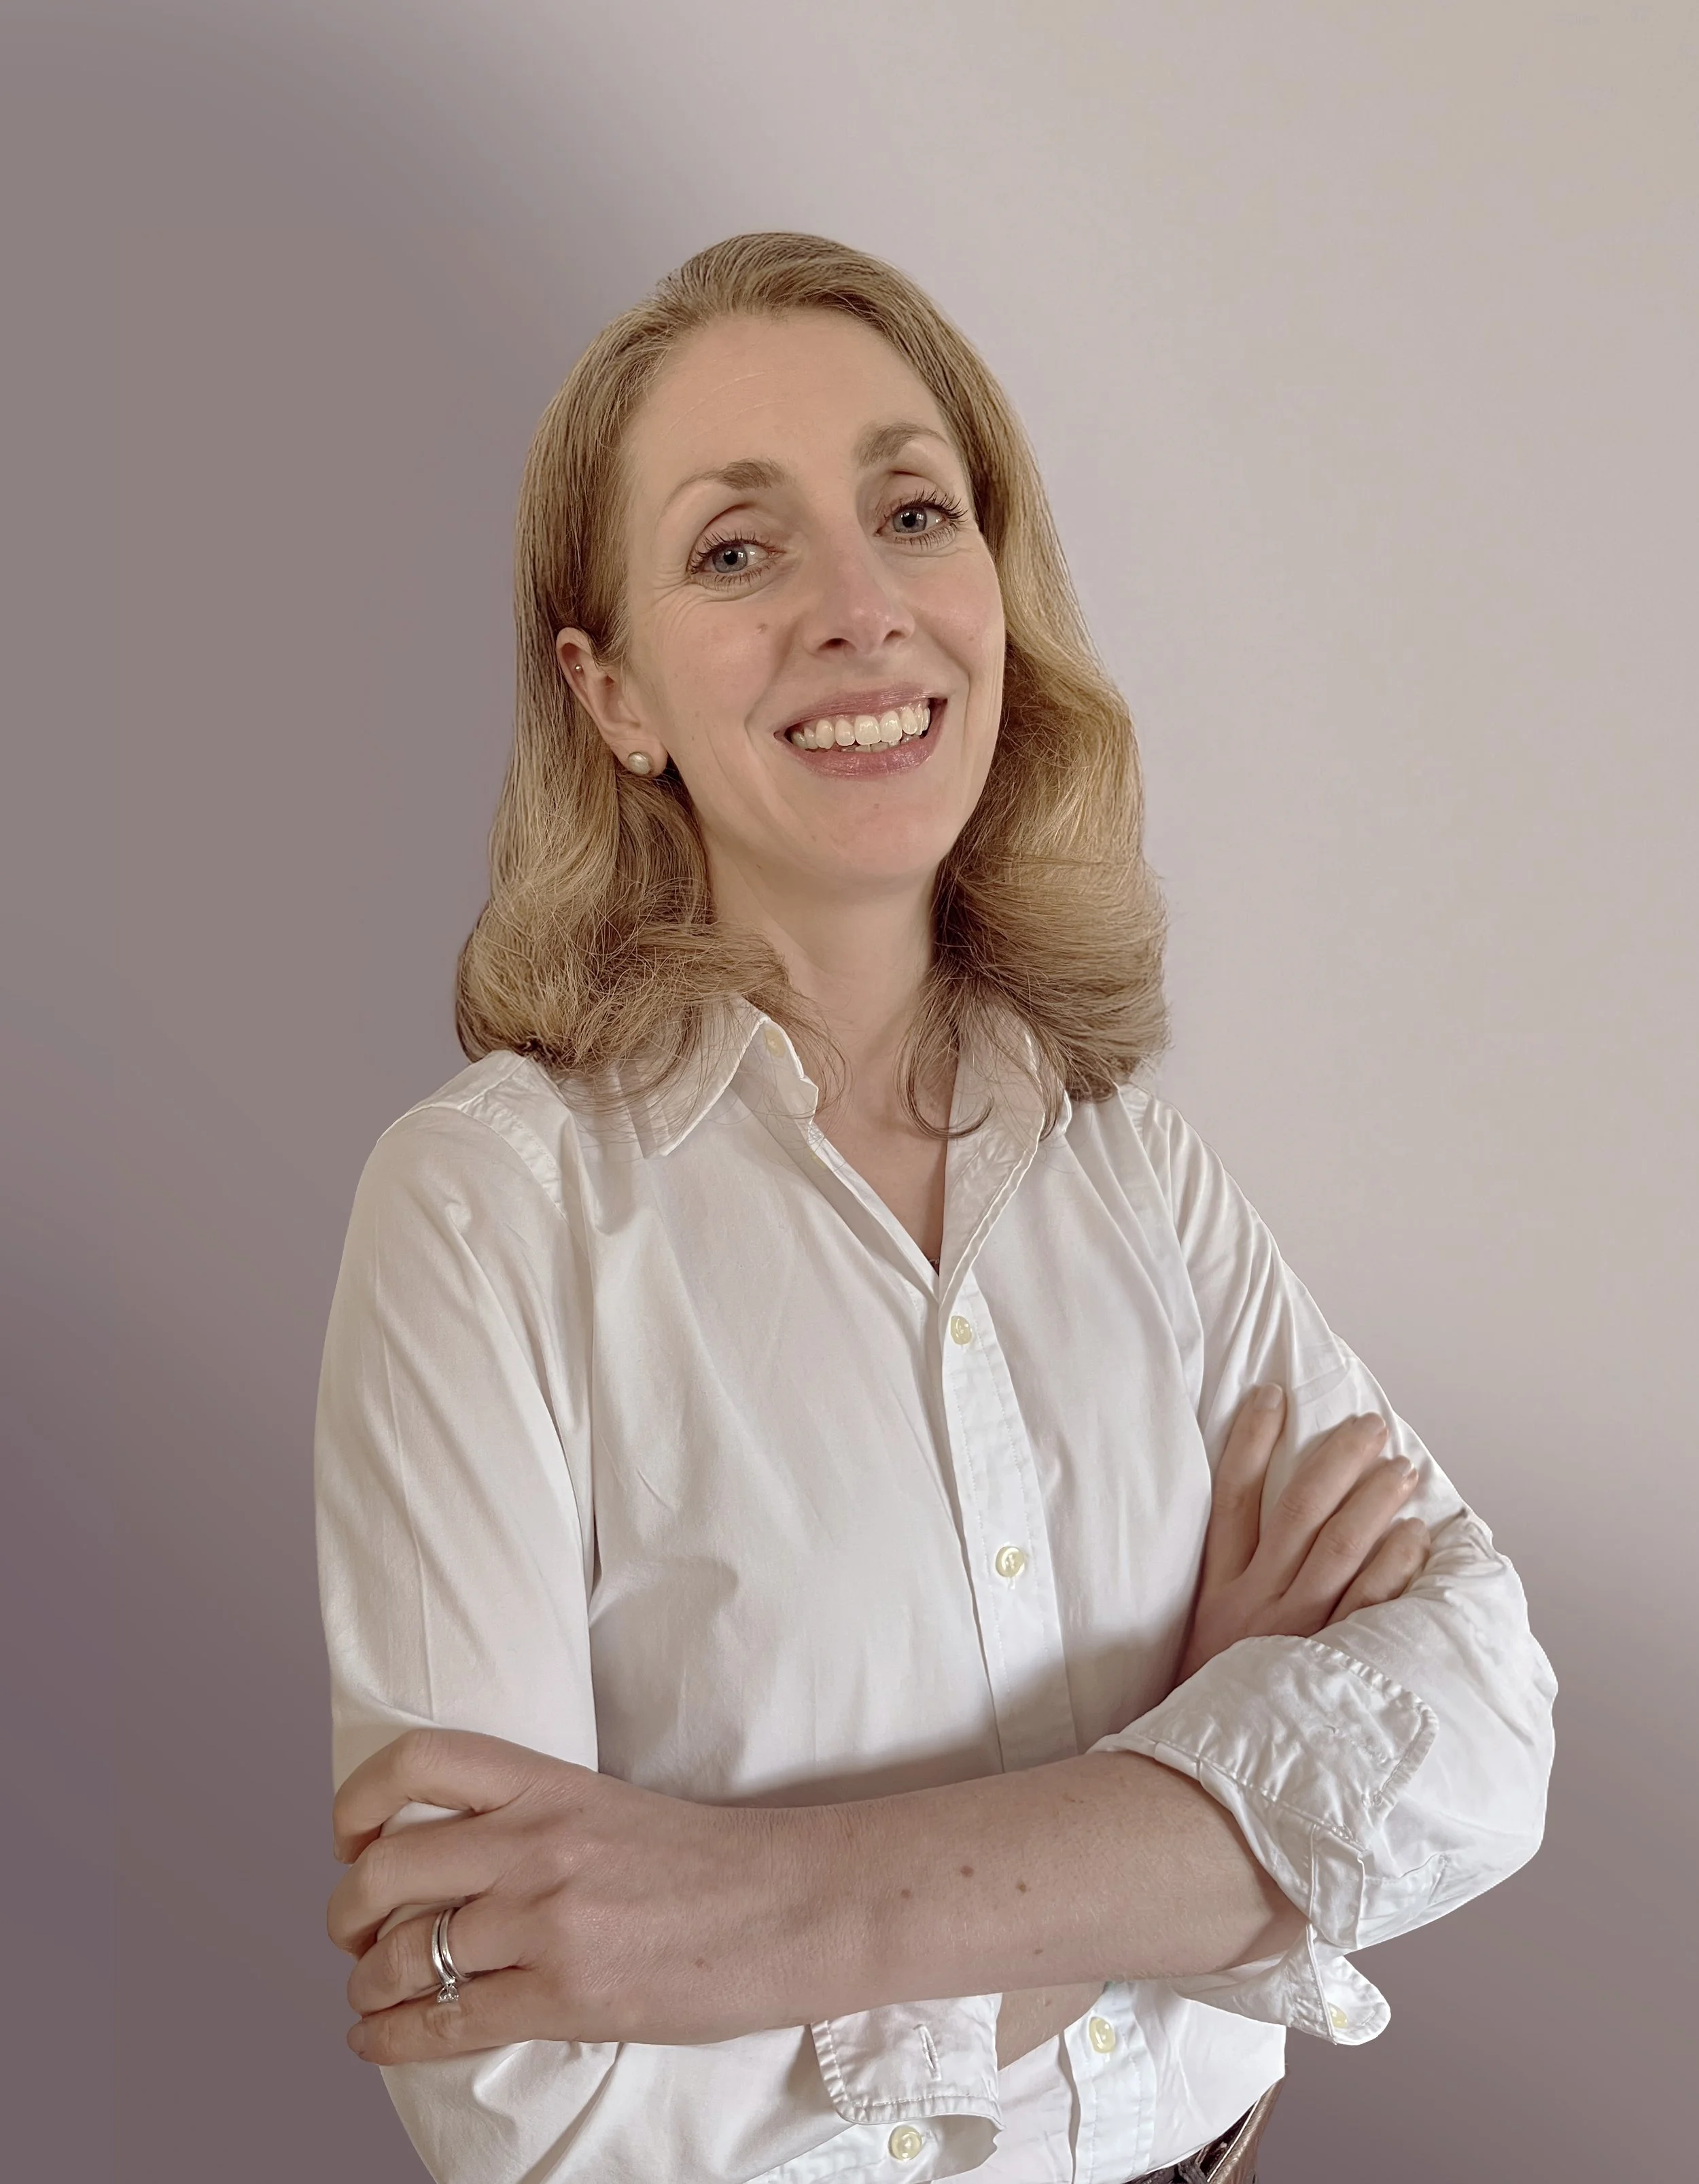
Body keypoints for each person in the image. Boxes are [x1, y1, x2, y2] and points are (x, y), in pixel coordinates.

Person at [314, 231, 1555, 2184]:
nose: (860, 607)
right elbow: (523, 2098)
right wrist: (1192, 1805)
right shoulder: (485, 1216)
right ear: (611, 686)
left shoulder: (1131, 1168)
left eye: (913, 511)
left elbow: (1483, 1728)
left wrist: (779, 1908)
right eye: (737, 549)